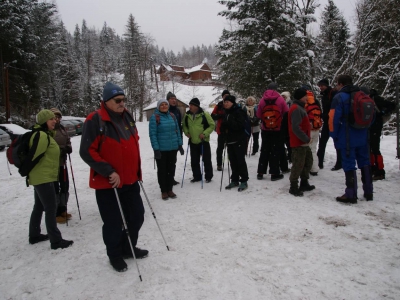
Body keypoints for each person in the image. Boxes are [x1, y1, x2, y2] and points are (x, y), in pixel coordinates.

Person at [80, 82, 147, 272]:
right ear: (106, 101)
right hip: (108, 183)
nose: (122, 103)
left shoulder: (127, 116)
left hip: (131, 180)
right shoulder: (95, 120)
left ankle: (128, 247)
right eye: (118, 100)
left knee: (137, 216)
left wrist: (136, 170)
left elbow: (133, 143)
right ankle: (115, 255)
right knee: (113, 223)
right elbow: (87, 151)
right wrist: (109, 171)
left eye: (124, 99)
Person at [28, 109, 74, 249]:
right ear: (43, 121)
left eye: (55, 118)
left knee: (39, 206)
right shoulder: (41, 136)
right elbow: (34, 156)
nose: (55, 121)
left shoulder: (45, 134)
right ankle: (56, 240)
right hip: (43, 177)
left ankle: (34, 235)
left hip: (42, 175)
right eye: (51, 119)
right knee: (50, 207)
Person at [329, 75, 373, 203]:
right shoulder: (363, 95)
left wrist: (334, 135)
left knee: (349, 164)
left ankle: (351, 194)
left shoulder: (339, 97)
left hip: (346, 136)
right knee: (365, 162)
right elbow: (372, 115)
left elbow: (333, 119)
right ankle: (369, 191)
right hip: (363, 135)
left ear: (341, 84)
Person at [149, 99, 183, 200]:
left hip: (172, 148)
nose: (164, 106)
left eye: (165, 104)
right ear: (158, 107)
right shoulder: (155, 117)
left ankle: (170, 189)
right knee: (162, 170)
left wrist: (180, 145)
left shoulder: (172, 116)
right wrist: (156, 149)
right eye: (162, 105)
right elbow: (153, 134)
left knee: (171, 169)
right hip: (162, 149)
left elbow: (177, 131)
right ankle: (163, 190)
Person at [256, 82, 289, 181]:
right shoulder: (280, 99)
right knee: (275, 150)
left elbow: (258, 115)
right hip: (277, 129)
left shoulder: (262, 100)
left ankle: (260, 172)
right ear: (276, 89)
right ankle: (274, 173)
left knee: (264, 150)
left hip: (265, 129)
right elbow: (286, 112)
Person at [288, 89, 315, 196]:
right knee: (298, 164)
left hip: (303, 141)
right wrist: (306, 138)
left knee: (308, 161)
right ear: (300, 97)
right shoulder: (295, 108)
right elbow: (295, 127)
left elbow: (300, 123)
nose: (307, 98)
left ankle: (304, 182)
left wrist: (308, 125)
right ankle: (293, 186)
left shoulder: (300, 107)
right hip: (299, 142)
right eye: (305, 96)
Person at [182, 97, 215, 183]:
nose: (190, 106)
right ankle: (197, 176)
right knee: (194, 160)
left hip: (203, 141)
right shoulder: (187, 115)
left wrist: (204, 134)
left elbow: (212, 125)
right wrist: (186, 132)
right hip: (193, 141)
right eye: (190, 105)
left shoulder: (205, 114)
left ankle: (208, 176)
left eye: (192, 105)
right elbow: (184, 125)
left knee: (206, 159)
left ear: (197, 106)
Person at [220, 95, 249, 191]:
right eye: (224, 102)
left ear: (232, 103)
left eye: (227, 102)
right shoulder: (226, 113)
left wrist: (229, 124)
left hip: (239, 139)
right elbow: (225, 126)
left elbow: (239, 125)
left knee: (240, 161)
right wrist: (223, 130)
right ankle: (235, 179)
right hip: (230, 140)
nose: (225, 104)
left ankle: (244, 180)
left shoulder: (239, 111)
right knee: (232, 161)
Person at [367, 88, 396, 180]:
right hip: (371, 127)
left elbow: (392, 105)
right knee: (370, 148)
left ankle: (380, 171)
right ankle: (373, 168)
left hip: (376, 126)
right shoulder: (370, 99)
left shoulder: (377, 99)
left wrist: (382, 113)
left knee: (375, 148)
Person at [49, 108, 72, 224]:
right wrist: (60, 150)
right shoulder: (49, 130)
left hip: (62, 162)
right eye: (55, 117)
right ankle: (56, 212)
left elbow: (68, 140)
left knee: (65, 186)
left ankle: (63, 208)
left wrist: (68, 147)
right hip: (52, 165)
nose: (57, 119)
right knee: (55, 189)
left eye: (58, 117)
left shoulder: (62, 128)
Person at [316, 79, 341, 171]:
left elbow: (334, 107)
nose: (321, 87)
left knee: (336, 142)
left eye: (322, 85)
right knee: (322, 142)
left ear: (326, 85)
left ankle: (339, 162)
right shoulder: (324, 95)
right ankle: (319, 162)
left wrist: (327, 115)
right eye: (320, 86)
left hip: (333, 121)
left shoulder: (333, 93)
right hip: (327, 121)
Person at [302, 86, 322, 176]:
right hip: (316, 128)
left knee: (307, 149)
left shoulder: (304, 102)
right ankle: (315, 168)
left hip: (308, 129)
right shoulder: (315, 101)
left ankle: (308, 167)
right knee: (313, 149)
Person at [166, 91, 182, 185]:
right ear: (167, 100)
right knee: (166, 161)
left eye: (175, 99)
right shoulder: (163, 110)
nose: (174, 100)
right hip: (166, 140)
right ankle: (166, 179)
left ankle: (171, 178)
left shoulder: (177, 111)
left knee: (173, 160)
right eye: (172, 99)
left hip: (175, 140)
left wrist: (180, 141)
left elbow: (179, 126)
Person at [211, 90, 229, 171]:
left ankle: (232, 162)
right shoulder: (219, 105)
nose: (226, 96)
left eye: (227, 95)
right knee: (220, 148)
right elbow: (213, 115)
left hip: (230, 130)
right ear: (222, 97)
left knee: (231, 148)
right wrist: (220, 115)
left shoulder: (232, 105)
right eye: (224, 95)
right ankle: (219, 164)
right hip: (220, 130)